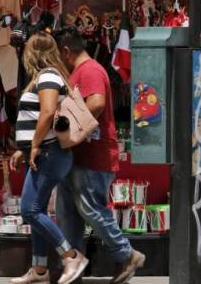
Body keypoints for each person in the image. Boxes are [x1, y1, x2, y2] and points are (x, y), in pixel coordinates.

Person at [54, 29, 145, 284]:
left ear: (65, 51)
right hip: (78, 156)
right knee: (68, 213)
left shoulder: (90, 70)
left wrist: (66, 125)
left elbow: (96, 103)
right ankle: (72, 267)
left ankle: (126, 254)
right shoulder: (80, 72)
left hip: (93, 156)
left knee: (90, 208)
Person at [9, 33, 89, 284]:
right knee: (38, 210)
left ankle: (71, 255)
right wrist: (25, 147)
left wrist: (33, 144)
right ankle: (40, 270)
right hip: (43, 152)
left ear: (30, 54)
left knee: (29, 210)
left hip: (49, 153)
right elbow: (38, 118)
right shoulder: (47, 77)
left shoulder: (48, 77)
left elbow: (47, 112)